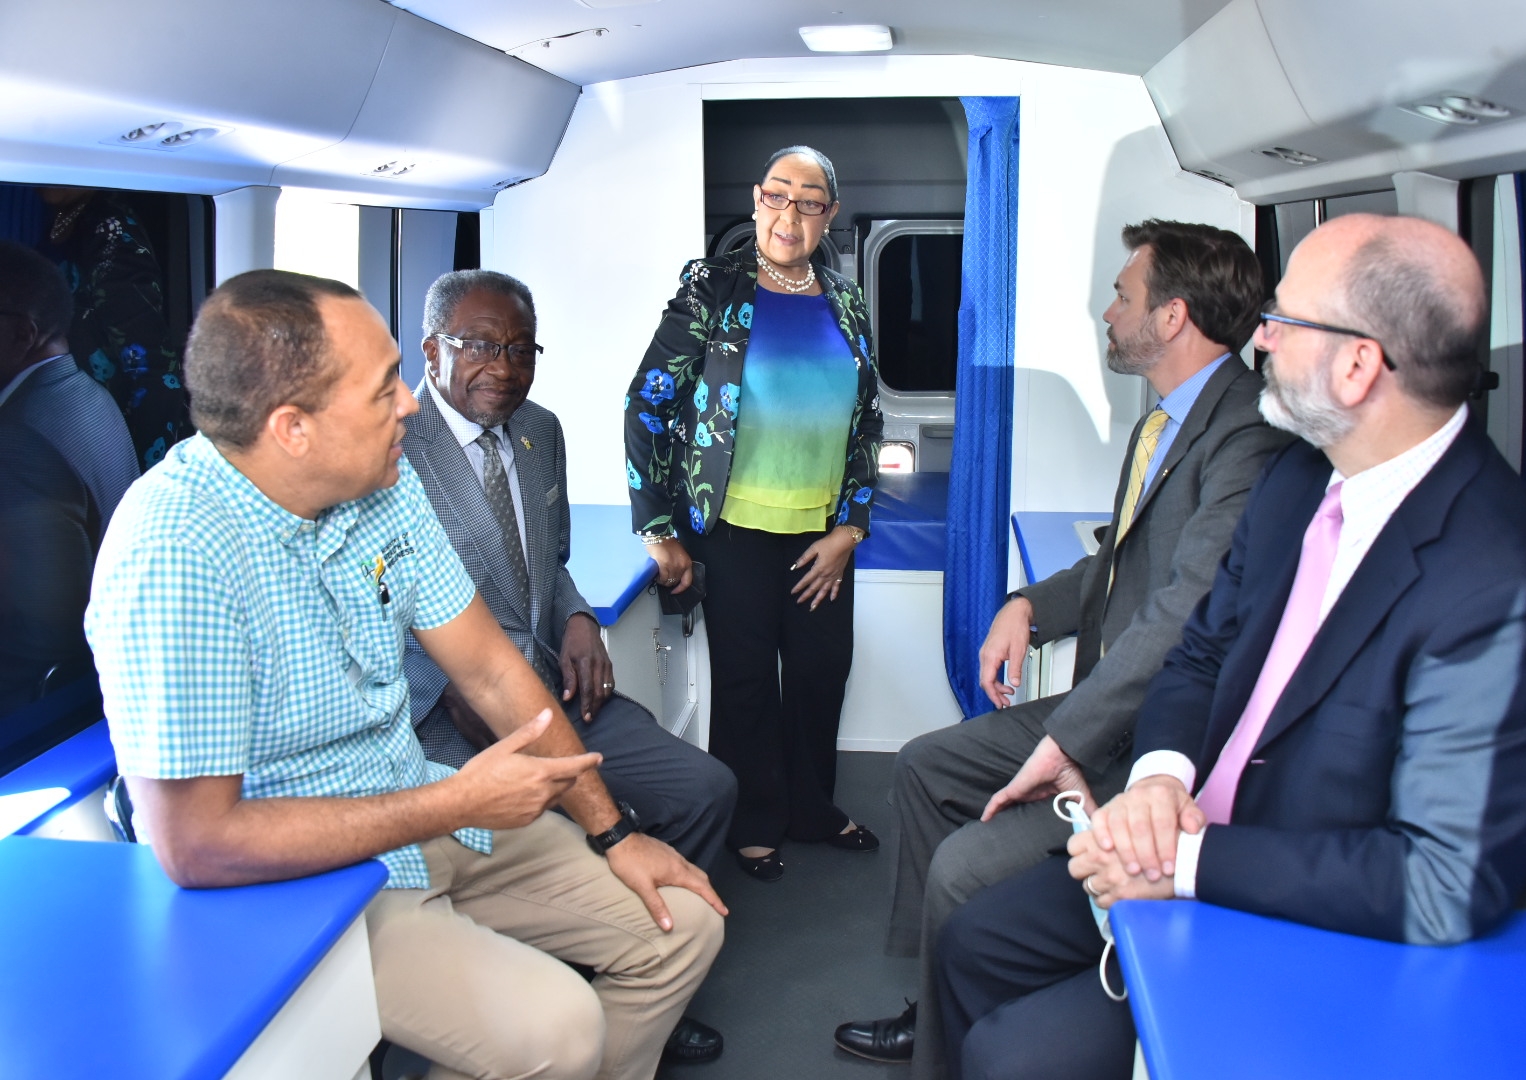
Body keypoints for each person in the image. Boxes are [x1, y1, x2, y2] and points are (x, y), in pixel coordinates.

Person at [934, 214, 1526, 1080]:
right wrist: (1158, 784)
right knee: (974, 942)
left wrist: (1184, 861)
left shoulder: (1503, 588)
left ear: (1358, 366)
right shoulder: (1297, 479)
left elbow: (1438, 883)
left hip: (1292, 903)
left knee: (1010, 1056)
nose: (1262, 338)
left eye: (1285, 321)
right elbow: (1201, 654)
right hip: (1187, 827)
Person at [85, 269, 726, 1080]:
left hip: (421, 810)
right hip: (304, 882)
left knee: (682, 924)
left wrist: (614, 834)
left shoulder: (379, 489)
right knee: (559, 1031)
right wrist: (453, 799)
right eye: (385, 387)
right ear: (293, 428)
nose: (412, 404)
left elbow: (494, 670)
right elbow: (196, 844)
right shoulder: (175, 553)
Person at [835, 221, 1290, 1074]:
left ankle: (949, 1045)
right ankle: (938, 998)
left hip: (1150, 737)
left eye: (1123, 294)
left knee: (966, 867)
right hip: (1101, 704)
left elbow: (1182, 616)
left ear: (1173, 317)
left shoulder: (1246, 442)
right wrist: (1026, 606)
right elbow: (1119, 560)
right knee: (924, 766)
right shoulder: (1168, 422)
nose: (1107, 310)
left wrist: (1068, 738)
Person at [405, 268, 737, 1064]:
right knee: (549, 822)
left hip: (549, 685)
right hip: (445, 721)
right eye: (479, 344)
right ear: (430, 349)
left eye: (521, 348)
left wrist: (581, 614)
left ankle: (644, 974)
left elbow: (546, 563)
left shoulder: (538, 430)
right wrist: (449, 682)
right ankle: (578, 978)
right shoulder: (393, 448)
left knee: (704, 790)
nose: (505, 365)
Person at [623, 145, 883, 882]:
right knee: (745, 681)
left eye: (809, 202)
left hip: (822, 534)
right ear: (755, 200)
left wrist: (850, 528)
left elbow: (869, 421)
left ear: (828, 215)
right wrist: (658, 526)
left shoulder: (847, 299)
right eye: (777, 195)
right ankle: (756, 819)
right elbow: (645, 404)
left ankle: (814, 809)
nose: (789, 214)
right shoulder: (713, 290)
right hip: (732, 529)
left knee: (820, 672)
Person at [0, 239, 139, 715]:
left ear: (23, 334)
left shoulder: (17, 441)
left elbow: (43, 638)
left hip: (38, 705)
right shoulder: (87, 395)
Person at [39, 186, 193, 468]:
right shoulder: (59, 219)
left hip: (113, 438)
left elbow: (154, 369)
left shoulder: (110, 228)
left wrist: (142, 479)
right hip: (76, 426)